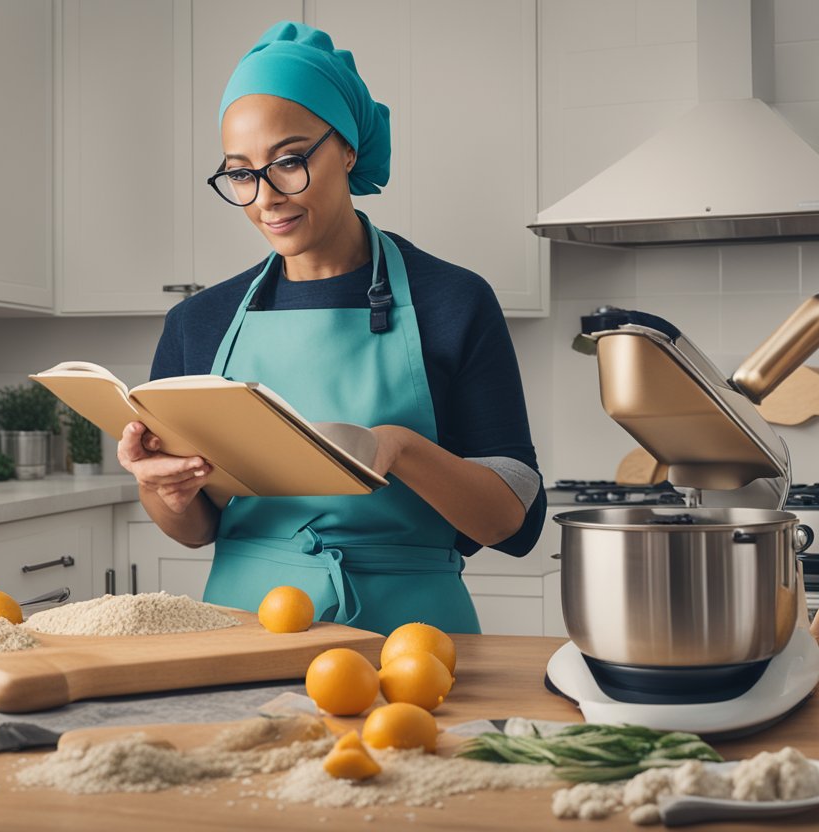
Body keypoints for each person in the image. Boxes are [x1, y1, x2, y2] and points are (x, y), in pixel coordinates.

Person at [117, 21, 545, 636]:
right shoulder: (199, 322)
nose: (266, 197)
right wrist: (162, 490)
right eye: (241, 173)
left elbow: (510, 522)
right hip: (241, 633)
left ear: (346, 148)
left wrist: (398, 447)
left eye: (288, 161)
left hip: (416, 641)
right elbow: (194, 530)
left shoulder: (454, 301)